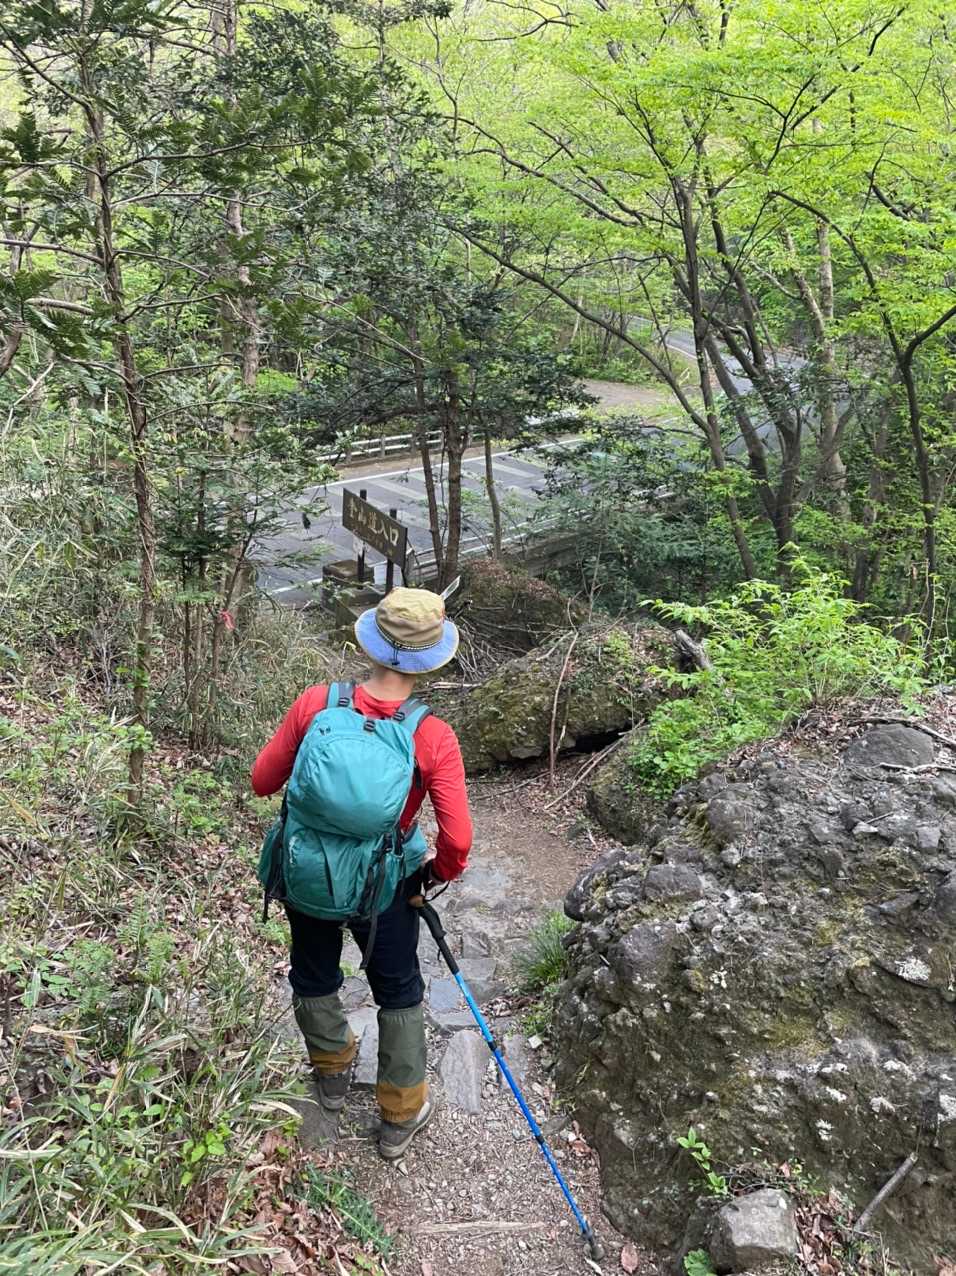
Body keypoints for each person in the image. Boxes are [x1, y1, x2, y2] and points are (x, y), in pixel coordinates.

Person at [251, 586, 473, 1160]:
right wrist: (433, 874)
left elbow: (262, 780)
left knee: (313, 970)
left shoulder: (317, 704)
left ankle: (331, 1072)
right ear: (430, 660)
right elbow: (458, 839)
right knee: (397, 988)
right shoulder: (431, 736)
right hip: (386, 883)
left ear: (370, 643)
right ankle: (400, 1114)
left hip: (307, 871)